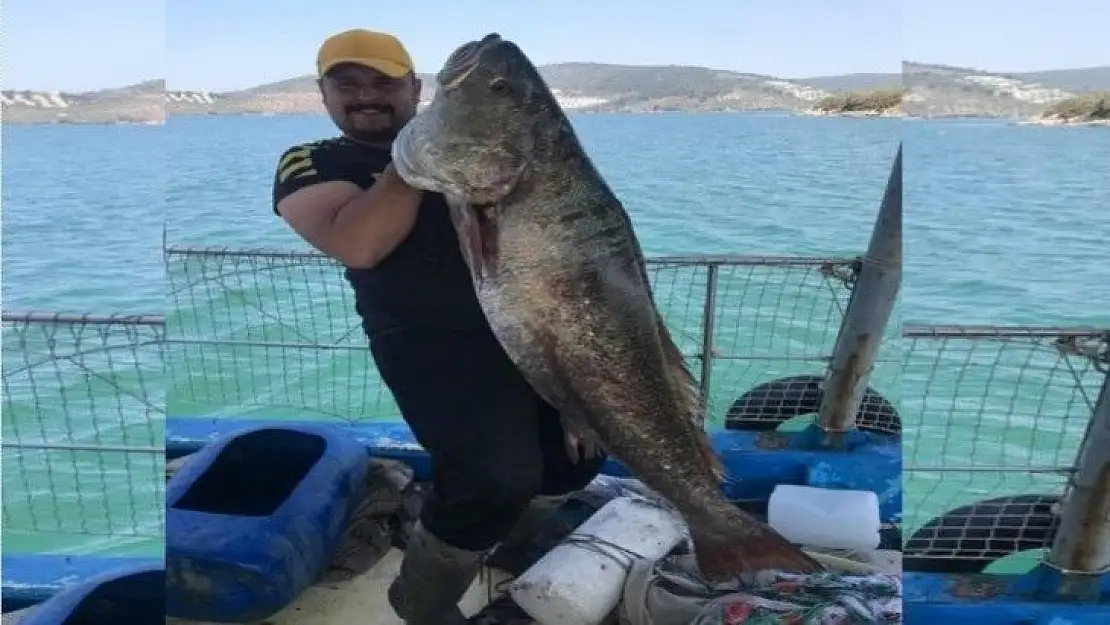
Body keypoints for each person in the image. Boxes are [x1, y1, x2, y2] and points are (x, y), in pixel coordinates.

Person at [271, 29, 607, 624]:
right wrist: (419, 157)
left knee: (578, 458)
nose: (366, 96)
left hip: (529, 329)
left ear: (416, 89)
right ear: (323, 93)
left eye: (383, 82)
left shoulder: (478, 146)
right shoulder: (315, 161)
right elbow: (359, 243)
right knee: (493, 478)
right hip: (427, 342)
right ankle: (421, 597)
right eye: (347, 84)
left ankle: (504, 543)